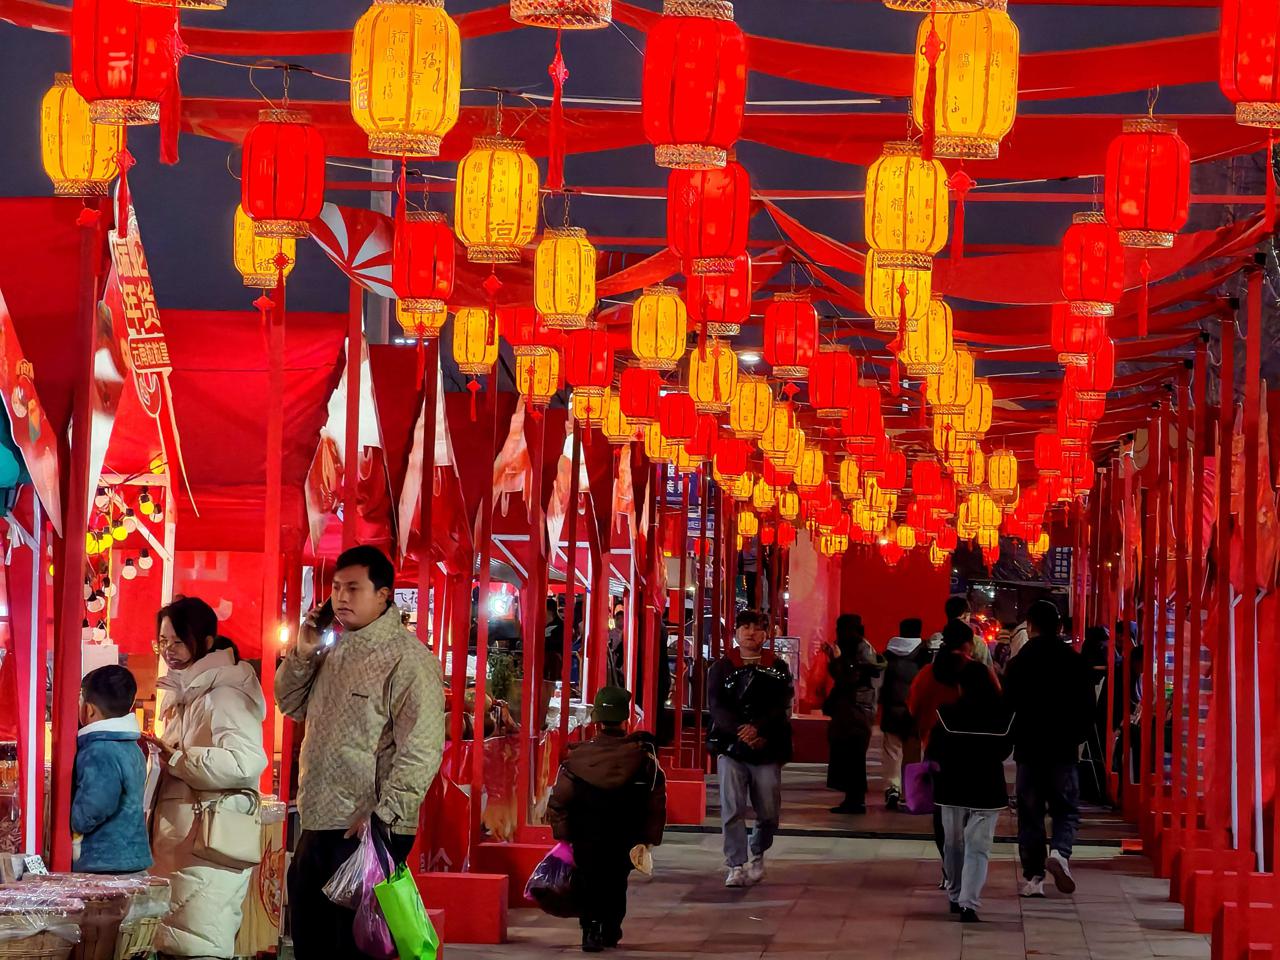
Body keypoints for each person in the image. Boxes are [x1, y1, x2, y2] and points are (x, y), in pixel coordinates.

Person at [276, 545, 446, 960]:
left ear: (384, 594)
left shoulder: (409, 660)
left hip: (367, 828)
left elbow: (421, 747)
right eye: (336, 588)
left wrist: (386, 815)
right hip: (317, 818)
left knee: (358, 948)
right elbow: (290, 703)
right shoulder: (331, 649)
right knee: (312, 942)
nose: (341, 597)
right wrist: (303, 651)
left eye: (353, 588)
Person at [144, 596, 268, 959]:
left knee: (199, 947)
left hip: (207, 847)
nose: (168, 650)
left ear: (207, 642)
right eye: (163, 641)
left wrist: (180, 758)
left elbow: (246, 761)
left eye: (178, 641)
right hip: (188, 849)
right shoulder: (190, 694)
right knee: (183, 946)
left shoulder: (223, 694)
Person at [547, 686, 666, 953]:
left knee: (588, 879)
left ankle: (590, 929)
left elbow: (559, 799)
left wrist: (562, 834)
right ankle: (611, 929)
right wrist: (650, 838)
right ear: (626, 720)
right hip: (626, 834)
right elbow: (656, 799)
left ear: (596, 720)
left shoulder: (578, 758)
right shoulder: (643, 757)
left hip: (585, 834)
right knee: (616, 881)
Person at [1003, 599, 1096, 898]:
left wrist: (1010, 740)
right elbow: (1088, 707)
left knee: (1030, 814)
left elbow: (1009, 707)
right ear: (1059, 627)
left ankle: (1034, 878)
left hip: (1029, 749)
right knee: (1066, 809)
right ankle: (1059, 852)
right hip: (1063, 749)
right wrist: (1077, 736)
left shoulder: (1019, 664)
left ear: (1030, 627)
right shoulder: (1076, 662)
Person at [707, 609, 793, 888]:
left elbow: (780, 705)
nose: (750, 633)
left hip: (767, 746)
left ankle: (758, 849)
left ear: (766, 634)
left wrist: (758, 728)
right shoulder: (722, 666)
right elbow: (716, 706)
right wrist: (739, 730)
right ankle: (735, 864)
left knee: (768, 810)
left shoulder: (777, 666)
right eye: (745, 627)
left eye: (757, 628)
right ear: (736, 632)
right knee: (732, 807)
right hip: (731, 747)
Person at [929, 660, 1014, 923]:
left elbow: (935, 750)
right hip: (987, 787)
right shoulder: (1003, 716)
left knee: (953, 843)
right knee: (979, 847)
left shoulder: (946, 714)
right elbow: (1004, 752)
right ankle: (969, 903)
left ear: (961, 686)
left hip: (951, 786)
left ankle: (955, 894)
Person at [908, 621, 981, 872]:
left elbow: (914, 708)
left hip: (937, 749)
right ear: (967, 644)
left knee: (942, 813)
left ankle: (948, 866)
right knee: (972, 812)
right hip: (973, 751)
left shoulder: (927, 674)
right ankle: (965, 867)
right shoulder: (977, 672)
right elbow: (996, 704)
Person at [71, 665, 150, 874]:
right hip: (130, 857)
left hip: (104, 862)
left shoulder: (99, 749)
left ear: (88, 709)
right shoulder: (131, 746)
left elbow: (95, 804)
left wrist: (73, 820)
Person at [823, 614, 885, 814]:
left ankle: (855, 800)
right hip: (856, 711)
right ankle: (852, 799)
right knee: (851, 757)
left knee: (853, 757)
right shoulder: (863, 648)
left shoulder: (859, 650)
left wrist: (837, 660)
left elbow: (848, 678)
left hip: (854, 711)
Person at [879, 618, 930, 810]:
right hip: (913, 713)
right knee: (913, 755)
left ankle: (892, 788)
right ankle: (911, 793)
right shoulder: (924, 655)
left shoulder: (888, 653)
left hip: (892, 710)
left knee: (892, 752)